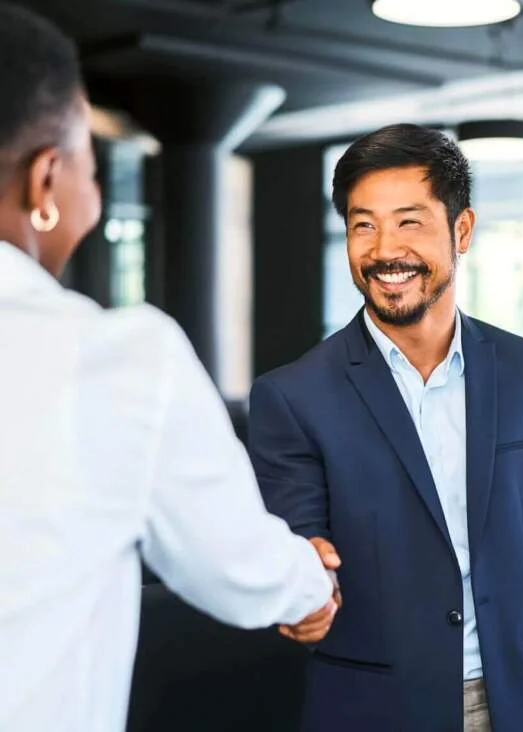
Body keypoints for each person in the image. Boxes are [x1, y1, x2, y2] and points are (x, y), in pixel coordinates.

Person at [0, 5, 340, 730]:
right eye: (90, 161)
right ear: (45, 181)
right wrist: (311, 582)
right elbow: (239, 569)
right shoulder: (112, 361)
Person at [248, 123, 523, 732]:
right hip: (375, 715)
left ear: (463, 230)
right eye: (362, 224)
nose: (384, 250)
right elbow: (299, 558)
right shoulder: (292, 398)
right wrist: (301, 590)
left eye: (409, 221)